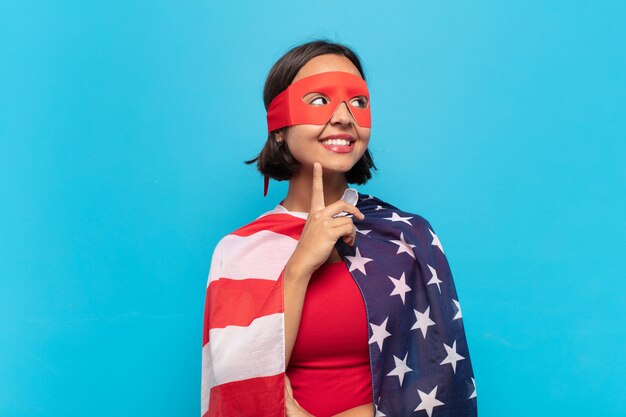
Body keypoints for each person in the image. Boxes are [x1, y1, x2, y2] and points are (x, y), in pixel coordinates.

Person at [201, 40, 477, 417]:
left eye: (358, 102)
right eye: (318, 100)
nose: (344, 116)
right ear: (278, 127)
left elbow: (436, 379)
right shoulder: (240, 250)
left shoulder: (408, 237)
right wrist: (299, 267)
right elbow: (238, 384)